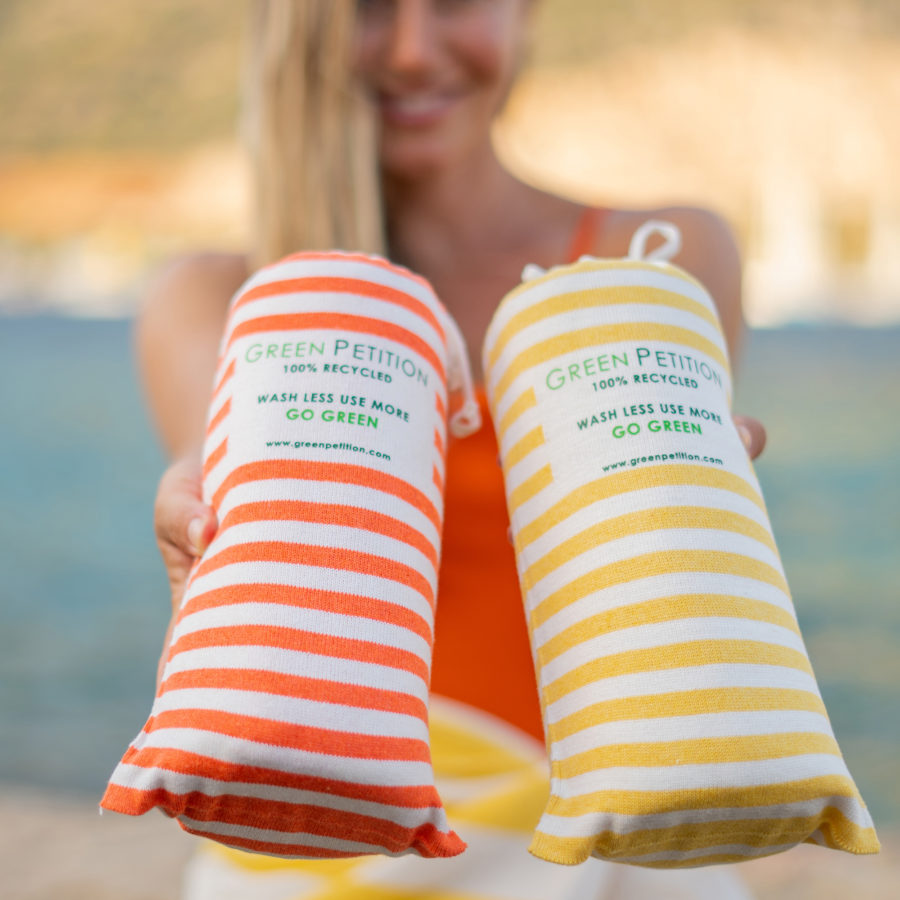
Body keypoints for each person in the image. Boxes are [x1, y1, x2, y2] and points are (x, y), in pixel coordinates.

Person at [137, 1, 765, 896]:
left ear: (526, 15)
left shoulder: (656, 260)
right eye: (368, 9)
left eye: (456, 2)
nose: (412, 50)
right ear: (298, 34)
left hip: (603, 848)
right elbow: (231, 534)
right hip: (318, 853)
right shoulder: (218, 301)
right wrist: (201, 523)